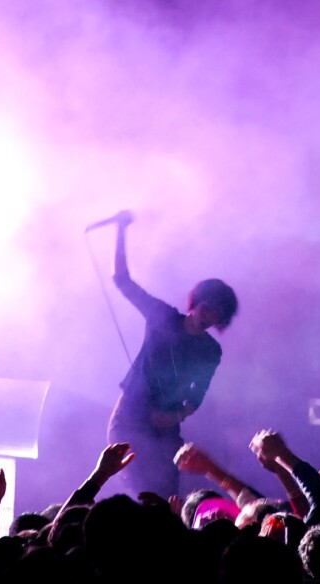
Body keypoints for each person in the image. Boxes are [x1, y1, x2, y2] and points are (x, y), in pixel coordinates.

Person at [106, 210, 238, 499]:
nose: (209, 317)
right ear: (196, 303)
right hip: (131, 413)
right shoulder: (162, 316)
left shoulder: (210, 351)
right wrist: (120, 231)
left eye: (216, 314)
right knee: (135, 488)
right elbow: (122, 280)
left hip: (165, 425)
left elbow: (197, 396)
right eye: (207, 308)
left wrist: (175, 414)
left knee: (166, 491)